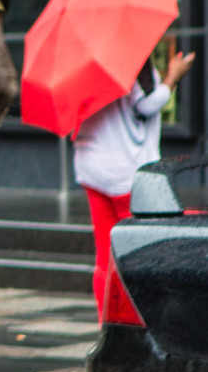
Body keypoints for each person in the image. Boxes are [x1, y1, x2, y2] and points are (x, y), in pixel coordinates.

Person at [75, 47, 196, 320]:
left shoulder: (81, 66)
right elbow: (146, 105)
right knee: (140, 254)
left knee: (106, 257)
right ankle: (139, 324)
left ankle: (109, 323)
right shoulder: (129, 58)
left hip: (92, 167)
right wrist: (172, 78)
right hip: (126, 171)